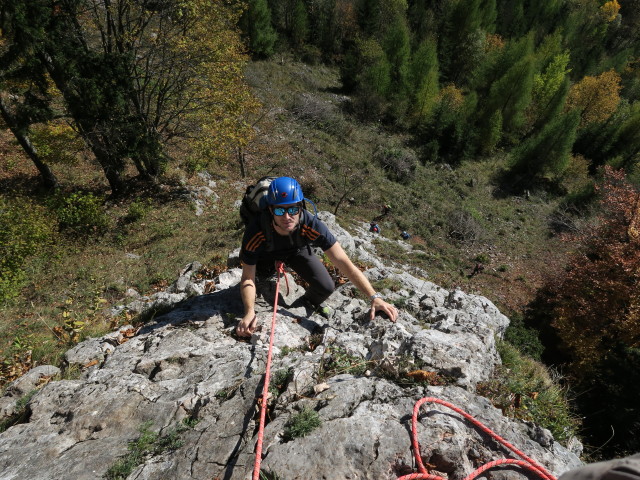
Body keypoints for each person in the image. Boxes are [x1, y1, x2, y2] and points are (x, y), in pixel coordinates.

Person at [236, 176, 398, 337]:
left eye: (292, 209)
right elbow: (248, 278)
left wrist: (374, 297)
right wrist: (249, 311)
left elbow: (344, 262)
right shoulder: (256, 231)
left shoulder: (311, 225)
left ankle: (307, 303)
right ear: (270, 210)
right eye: (280, 210)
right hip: (265, 254)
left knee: (326, 286)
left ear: (300, 207)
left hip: (295, 250)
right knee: (260, 280)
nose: (287, 217)